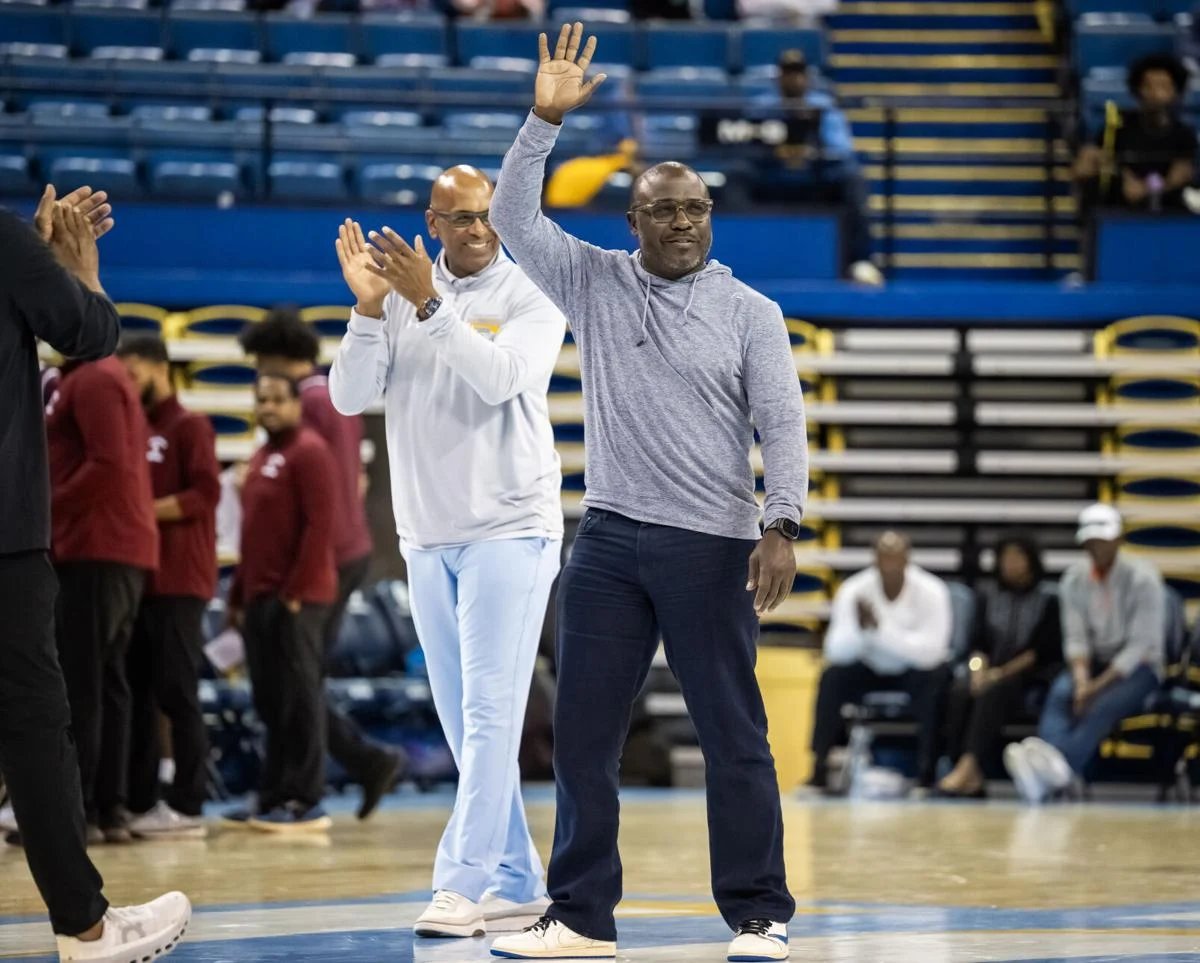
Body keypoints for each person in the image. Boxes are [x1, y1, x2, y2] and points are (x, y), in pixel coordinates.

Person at [488, 24, 808, 962]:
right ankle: (581, 915)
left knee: (732, 736)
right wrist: (543, 120)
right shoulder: (594, 283)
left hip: (711, 546)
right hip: (611, 541)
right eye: (665, 211)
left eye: (698, 210)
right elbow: (513, 220)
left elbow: (782, 425)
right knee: (585, 736)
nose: (684, 223)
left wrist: (781, 520)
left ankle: (759, 914)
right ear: (633, 223)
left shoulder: (753, 313)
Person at [329, 164, 566, 938]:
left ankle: (460, 884)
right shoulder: (400, 297)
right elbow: (347, 396)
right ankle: (520, 877)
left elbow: (501, 379)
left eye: (487, 215)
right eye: (459, 218)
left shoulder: (529, 292)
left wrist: (428, 304)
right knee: (466, 724)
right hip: (428, 534)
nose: (477, 229)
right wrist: (369, 310)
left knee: (492, 712)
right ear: (433, 222)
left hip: (512, 527)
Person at [0, 184, 190, 962]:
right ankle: (84, 926)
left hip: (103, 552)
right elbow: (89, 329)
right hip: (8, 543)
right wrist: (75, 269)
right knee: (39, 728)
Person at [239, 310, 405, 820]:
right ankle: (363, 761)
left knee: (299, 679)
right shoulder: (330, 392)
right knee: (298, 678)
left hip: (323, 557)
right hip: (342, 549)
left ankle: (306, 792)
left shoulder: (308, 403)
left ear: (279, 358)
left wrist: (304, 573)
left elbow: (321, 493)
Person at [46, 277, 160, 846]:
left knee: (85, 683)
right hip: (119, 549)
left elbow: (106, 465)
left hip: (96, 548)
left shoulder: (91, 377)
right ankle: (109, 807)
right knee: (109, 683)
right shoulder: (102, 376)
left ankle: (85, 808)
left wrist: (44, 504)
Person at [117, 334, 221, 838]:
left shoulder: (190, 425)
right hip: (139, 578)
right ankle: (139, 799)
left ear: (160, 368)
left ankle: (189, 803)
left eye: (135, 375)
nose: (129, 385)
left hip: (181, 580)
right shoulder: (131, 427)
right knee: (136, 692)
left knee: (177, 691)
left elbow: (205, 494)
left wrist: (138, 512)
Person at [226, 373, 339, 831]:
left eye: (276, 399)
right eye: (261, 400)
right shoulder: (261, 456)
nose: (268, 407)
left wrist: (295, 593)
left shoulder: (309, 452)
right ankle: (271, 794)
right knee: (269, 702)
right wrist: (237, 595)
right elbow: (251, 536)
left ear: (296, 404)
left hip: (297, 599)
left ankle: (306, 799)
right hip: (259, 597)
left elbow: (320, 527)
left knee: (299, 701)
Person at [1004, 504, 1164, 805]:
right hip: (1092, 664)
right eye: (1091, 542)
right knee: (1060, 693)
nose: (1096, 548)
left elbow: (1140, 645)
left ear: (1118, 540)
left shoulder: (1144, 579)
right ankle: (1047, 772)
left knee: (1100, 705)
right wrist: (1080, 682)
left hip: (1139, 668)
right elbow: (1076, 638)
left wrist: (1095, 687)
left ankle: (1053, 771)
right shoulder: (1073, 580)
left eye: (1102, 541)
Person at [810, 531, 953, 791]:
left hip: (915, 673)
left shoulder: (932, 590)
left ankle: (927, 771)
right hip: (870, 669)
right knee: (832, 676)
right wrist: (862, 634)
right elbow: (836, 650)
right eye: (883, 556)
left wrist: (878, 631)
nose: (889, 563)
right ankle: (819, 767)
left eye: (895, 556)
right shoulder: (854, 589)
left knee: (939, 678)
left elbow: (932, 652)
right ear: (874, 559)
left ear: (907, 558)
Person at [935, 535, 1062, 799]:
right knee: (960, 690)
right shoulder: (989, 596)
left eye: (1017, 557)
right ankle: (965, 771)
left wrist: (998, 674)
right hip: (989, 670)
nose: (1010, 564)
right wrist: (978, 670)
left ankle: (969, 764)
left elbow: (1039, 652)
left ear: (1031, 561)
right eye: (1005, 558)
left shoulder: (1048, 599)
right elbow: (978, 644)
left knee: (995, 691)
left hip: (1028, 675)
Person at [750, 49, 880, 286]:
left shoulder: (824, 106)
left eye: (798, 73)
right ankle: (731, 259)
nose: (794, 79)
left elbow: (842, 149)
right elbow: (744, 144)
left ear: (807, 77)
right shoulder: (762, 106)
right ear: (779, 77)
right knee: (736, 175)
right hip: (772, 174)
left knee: (851, 176)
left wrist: (814, 151)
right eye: (788, 73)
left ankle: (860, 260)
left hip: (815, 175)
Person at [1075, 53, 1197, 212]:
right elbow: (1086, 163)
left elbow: (1180, 175)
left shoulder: (1183, 134)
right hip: (1119, 210)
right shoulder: (1118, 127)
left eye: (1163, 87)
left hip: (1167, 211)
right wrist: (1121, 174)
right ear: (1137, 89)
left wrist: (1146, 189)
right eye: (1149, 87)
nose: (1156, 94)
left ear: (1175, 91)